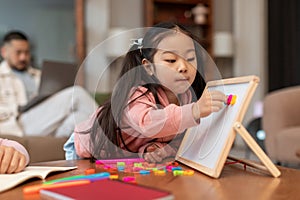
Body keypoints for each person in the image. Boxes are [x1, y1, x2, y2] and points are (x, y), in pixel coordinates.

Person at [64, 22, 226, 162]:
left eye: (190, 59)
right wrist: (195, 110)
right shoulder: (137, 95)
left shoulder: (188, 98)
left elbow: (180, 139)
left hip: (119, 155)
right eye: (171, 60)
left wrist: (158, 149)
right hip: (84, 148)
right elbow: (148, 123)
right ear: (148, 67)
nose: (183, 67)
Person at [0, 31, 98, 137]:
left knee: (80, 117)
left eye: (27, 52)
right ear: (4, 52)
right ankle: (113, 131)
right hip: (19, 123)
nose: (23, 57)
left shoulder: (39, 75)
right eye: (18, 52)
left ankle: (60, 144)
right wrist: (18, 108)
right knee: (77, 93)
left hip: (45, 123)